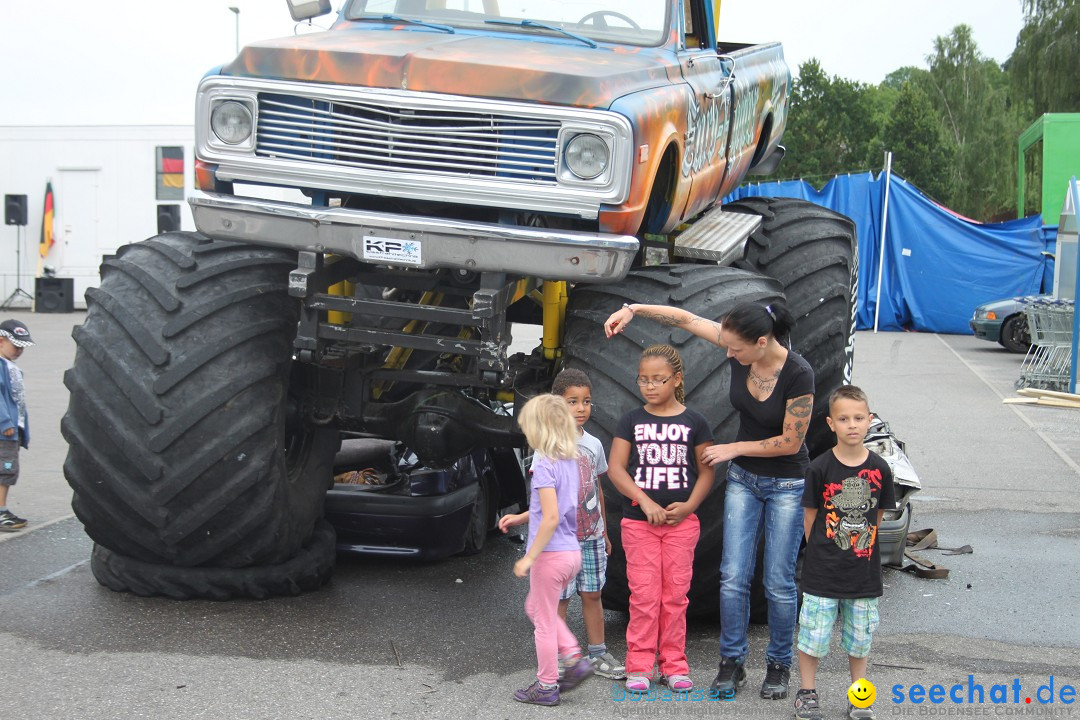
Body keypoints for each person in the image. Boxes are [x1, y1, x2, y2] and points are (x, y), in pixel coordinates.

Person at [606, 300, 814, 701]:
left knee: (778, 582)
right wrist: (632, 310)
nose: (728, 353)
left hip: (786, 483)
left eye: (736, 349)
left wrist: (734, 447)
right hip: (744, 479)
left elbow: (792, 441)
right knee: (733, 577)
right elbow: (683, 319)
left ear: (762, 341)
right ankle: (731, 663)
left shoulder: (797, 373)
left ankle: (778, 665)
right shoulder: (739, 348)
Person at [503, 369, 627, 679]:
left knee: (593, 594)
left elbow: (597, 490)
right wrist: (524, 520)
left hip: (592, 536)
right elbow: (546, 504)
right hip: (561, 540)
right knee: (560, 598)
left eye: (586, 401)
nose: (581, 408)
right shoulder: (547, 449)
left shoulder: (595, 445)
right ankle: (560, 656)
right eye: (573, 401)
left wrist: (605, 531)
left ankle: (597, 653)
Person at [606, 344, 714, 693]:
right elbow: (616, 469)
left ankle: (674, 665)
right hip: (639, 524)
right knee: (644, 596)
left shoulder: (695, 422)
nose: (650, 386)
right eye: (643, 380)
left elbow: (707, 472)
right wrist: (644, 501)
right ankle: (639, 665)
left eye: (658, 379)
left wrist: (689, 506)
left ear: (677, 379)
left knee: (675, 597)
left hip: (682, 524)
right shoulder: (632, 420)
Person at [794, 385, 895, 720]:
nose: (852, 424)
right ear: (830, 423)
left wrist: (857, 543)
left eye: (858, 417)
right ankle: (807, 693)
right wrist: (824, 551)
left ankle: (858, 696)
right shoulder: (819, 468)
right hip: (822, 574)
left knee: (860, 639)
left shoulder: (881, 470)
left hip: (862, 575)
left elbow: (876, 518)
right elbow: (810, 519)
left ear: (869, 421)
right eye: (844, 418)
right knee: (813, 636)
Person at [498, 393, 592, 706]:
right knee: (538, 610)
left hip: (550, 556)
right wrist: (521, 517)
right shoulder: (569, 458)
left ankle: (547, 685)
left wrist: (529, 557)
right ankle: (574, 657)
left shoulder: (542, 460)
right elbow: (554, 507)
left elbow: (551, 517)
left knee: (543, 623)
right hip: (570, 553)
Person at [0, 319, 33, 532]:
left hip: (13, 430)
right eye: (16, 346)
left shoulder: (11, 367)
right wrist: (5, 422)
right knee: (5, 470)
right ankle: (1, 512)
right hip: (4, 431)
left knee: (8, 471)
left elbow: (18, 401)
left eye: (22, 347)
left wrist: (24, 430)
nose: (19, 350)